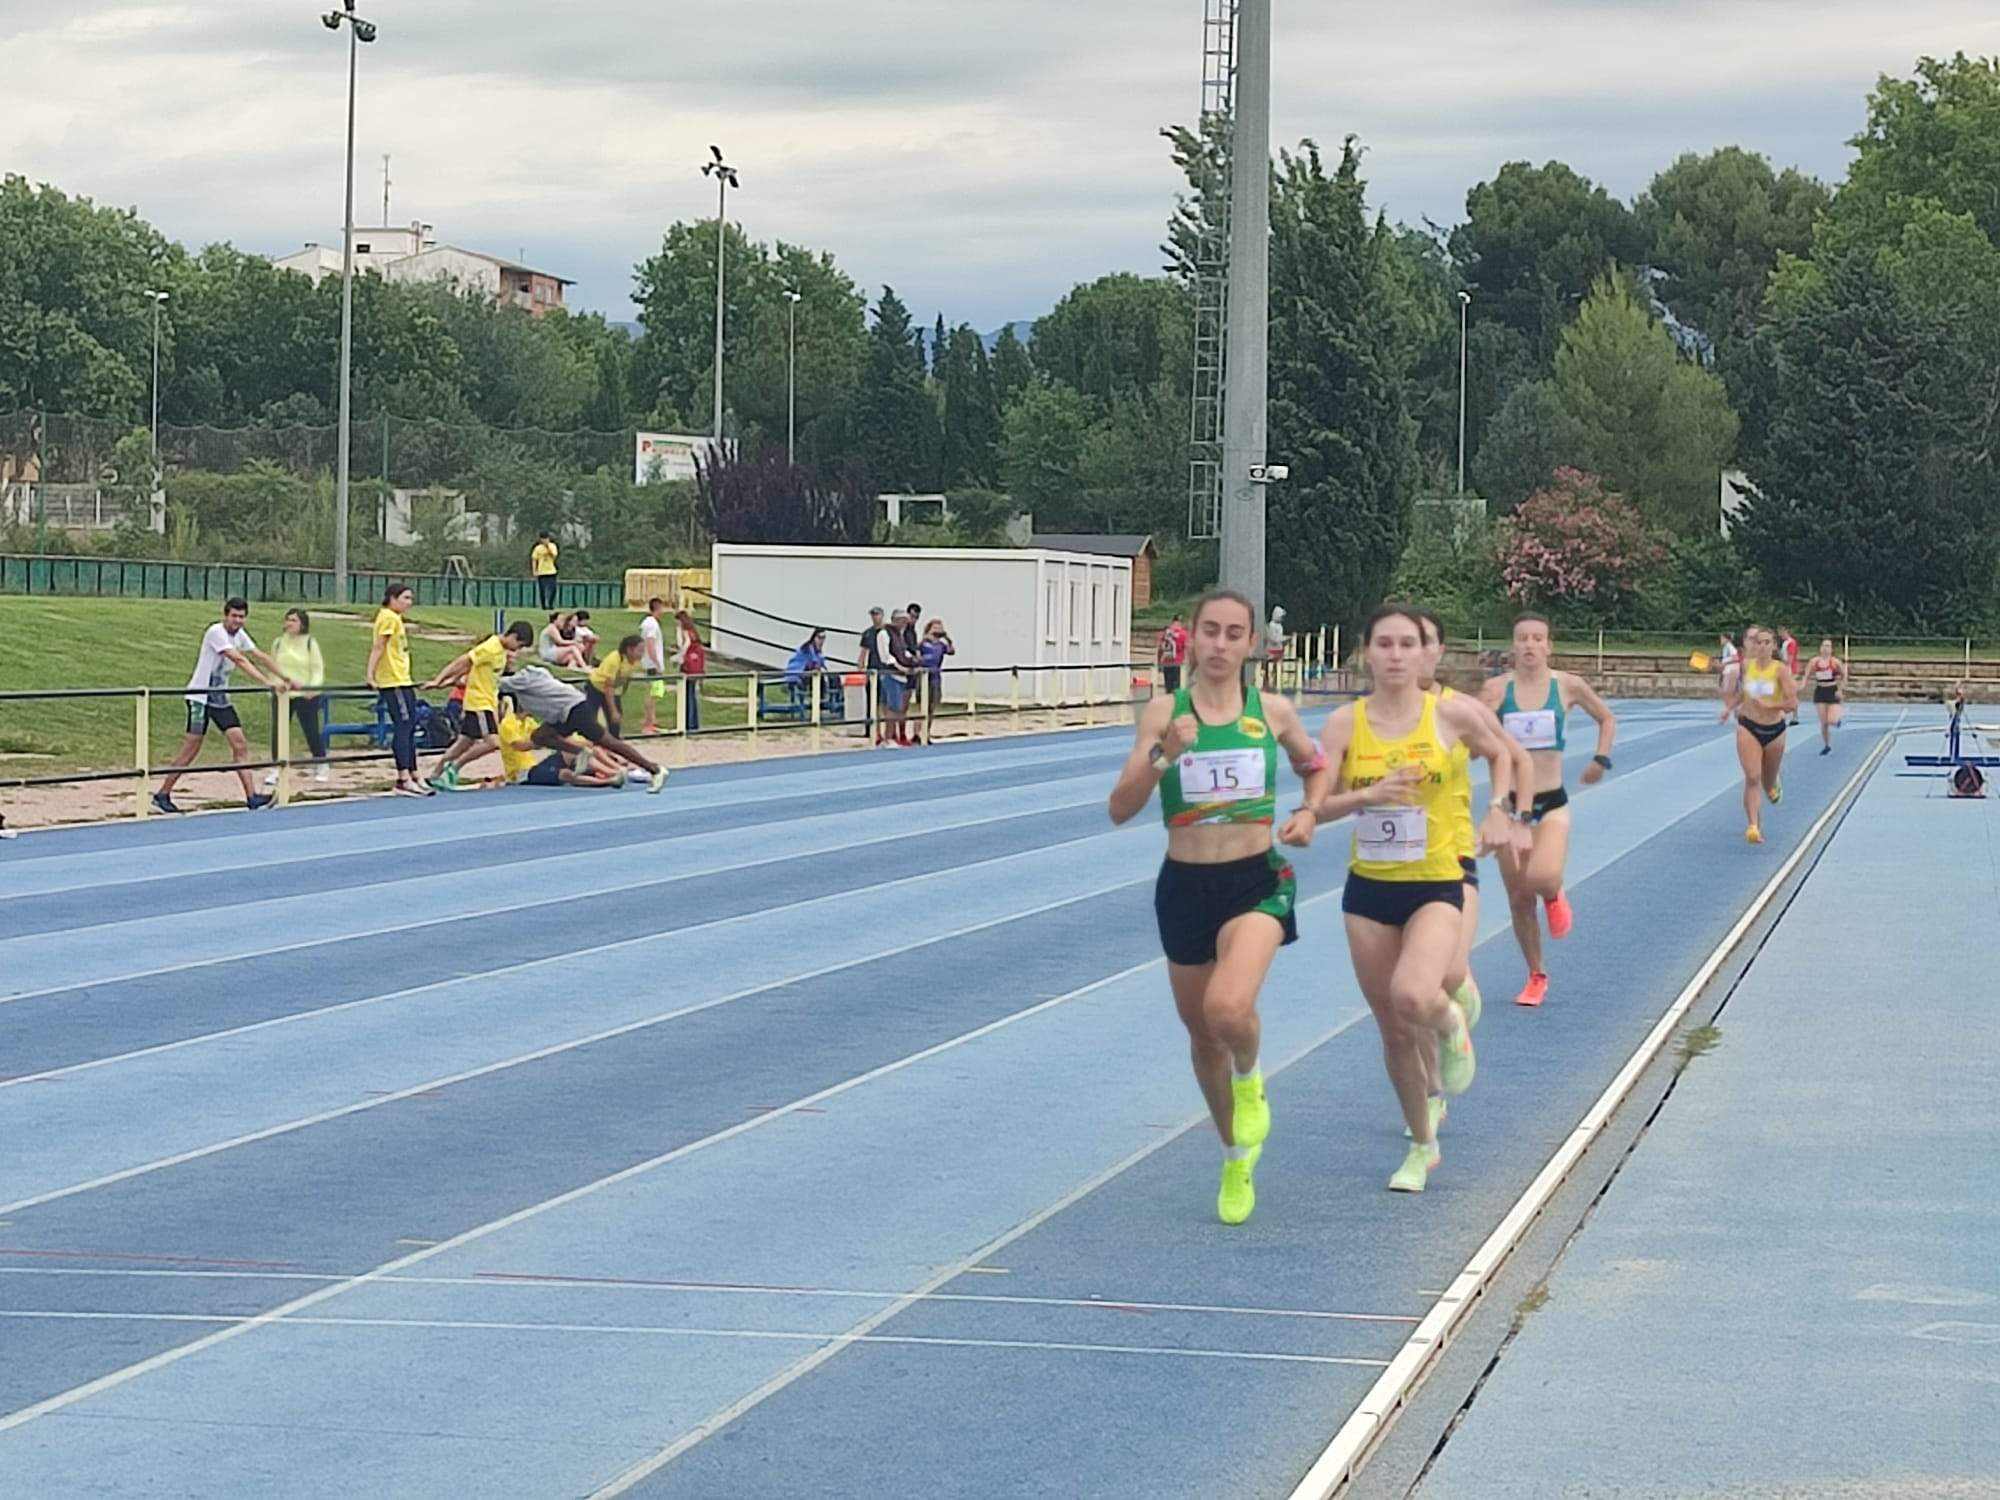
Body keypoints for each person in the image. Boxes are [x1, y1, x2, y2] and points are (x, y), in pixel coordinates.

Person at [1107, 587, 1329, 1226]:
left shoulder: (1274, 711)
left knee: (1228, 1008)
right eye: (1212, 631)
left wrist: (1311, 810)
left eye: (1236, 634)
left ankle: (1252, 1076)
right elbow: (1120, 809)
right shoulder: (1162, 714)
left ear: (1252, 645)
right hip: (1184, 884)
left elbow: (1316, 767)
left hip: (1256, 878)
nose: (1222, 645)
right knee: (1202, 1034)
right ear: (1191, 638)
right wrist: (1163, 756)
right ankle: (1235, 1155)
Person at [1314, 603, 1519, 1193]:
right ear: (1367, 653)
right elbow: (1316, 806)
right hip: (1369, 889)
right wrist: (1368, 795)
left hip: (1436, 881)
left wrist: (1501, 811)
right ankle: (1421, 1144)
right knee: (1394, 1031)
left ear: (1425, 652)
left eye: (1407, 643)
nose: (1397, 655)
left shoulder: (1451, 715)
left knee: (1413, 995)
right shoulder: (1343, 726)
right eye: (1385, 644)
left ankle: (1451, 1018)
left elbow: (1504, 753)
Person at [1407, 608, 1535, 1143]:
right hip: (1388, 869)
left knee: (1444, 974)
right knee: (1406, 996)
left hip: (1452, 858)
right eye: (1398, 642)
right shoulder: (1368, 715)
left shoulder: (1459, 710)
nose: (1408, 652)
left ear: (1438, 651)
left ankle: (1461, 997)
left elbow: (1514, 759)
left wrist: (1505, 813)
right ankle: (1432, 1094)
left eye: (1422, 642)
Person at [1479, 613, 1618, 1009]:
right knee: (1520, 898)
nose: (1529, 646)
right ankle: (1536, 974)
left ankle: (1555, 894)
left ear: (1549, 646)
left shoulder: (1568, 685)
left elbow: (1606, 718)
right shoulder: (1494, 690)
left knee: (1541, 877)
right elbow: (1471, 736)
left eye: (1538, 638)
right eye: (1522, 638)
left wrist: (1600, 760)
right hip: (1507, 806)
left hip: (1551, 801)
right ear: (1513, 645)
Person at [153, 596, 291, 815]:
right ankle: (162, 794)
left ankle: (252, 797)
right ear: (225, 615)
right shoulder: (216, 632)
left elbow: (260, 655)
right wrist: (267, 683)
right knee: (190, 749)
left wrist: (286, 678)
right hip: (200, 698)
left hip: (220, 699)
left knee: (240, 744)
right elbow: (239, 660)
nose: (237, 621)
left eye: (242, 617)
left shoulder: (240, 635)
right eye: (234, 616)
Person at [498, 636, 669, 793]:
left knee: (609, 742)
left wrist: (483, 672)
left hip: (575, 708)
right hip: (566, 711)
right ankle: (580, 752)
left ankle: (654, 769)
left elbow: (498, 684)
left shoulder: (521, 679)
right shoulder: (529, 677)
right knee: (541, 736)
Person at [1720, 625, 1798, 845]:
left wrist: (1771, 705)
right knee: (1752, 776)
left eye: (1766, 643)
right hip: (1748, 726)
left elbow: (1792, 703)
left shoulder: (1780, 670)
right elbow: (1744, 693)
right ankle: (1753, 826)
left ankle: (1772, 784)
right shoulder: (1746, 667)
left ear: (1773, 646)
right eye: (1758, 642)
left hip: (1774, 730)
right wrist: (1729, 709)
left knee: (1767, 779)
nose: (1762, 647)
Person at [420, 623, 514, 791]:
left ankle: (435, 775)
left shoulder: (499, 653)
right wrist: (439, 679)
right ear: (512, 637)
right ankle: (455, 767)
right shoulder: (490, 649)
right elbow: (463, 662)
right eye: (518, 646)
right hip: (479, 703)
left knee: (464, 743)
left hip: (485, 702)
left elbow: (466, 670)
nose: (516, 653)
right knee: (493, 743)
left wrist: (444, 682)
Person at [364, 584, 431, 798]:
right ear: (392, 598)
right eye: (405, 598)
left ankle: (413, 772)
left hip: (403, 679)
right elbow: (379, 646)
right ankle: (403, 777)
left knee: (410, 725)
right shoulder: (388, 618)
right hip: (393, 681)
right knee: (403, 726)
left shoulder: (396, 619)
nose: (409, 602)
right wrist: (370, 674)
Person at [264, 608, 330, 787]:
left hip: (305, 694)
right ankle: (277, 767)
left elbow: (317, 668)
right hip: (283, 693)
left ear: (302, 623)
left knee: (311, 729)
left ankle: (320, 763)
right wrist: (275, 685)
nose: (289, 624)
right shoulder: (278, 643)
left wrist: (313, 688)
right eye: (288, 620)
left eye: (294, 620)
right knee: (279, 731)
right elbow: (273, 665)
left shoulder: (309, 642)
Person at [587, 635, 645, 736]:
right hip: (596, 688)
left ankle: (614, 742)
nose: (642, 654)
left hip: (613, 689)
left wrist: (621, 694)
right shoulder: (614, 660)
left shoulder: (636, 661)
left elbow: (626, 678)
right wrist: (613, 710)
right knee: (591, 718)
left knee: (616, 721)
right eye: (639, 650)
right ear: (629, 649)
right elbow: (608, 686)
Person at [1807, 637, 1845, 754]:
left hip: (1832, 690)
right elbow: (1806, 675)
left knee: (1831, 720)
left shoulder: (1835, 662)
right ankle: (1827, 745)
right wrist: (1801, 684)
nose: (1825, 649)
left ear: (1831, 649)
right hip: (1820, 691)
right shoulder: (1814, 662)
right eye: (1823, 646)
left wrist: (1840, 690)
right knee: (1824, 722)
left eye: (1828, 646)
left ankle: (1836, 719)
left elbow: (1844, 676)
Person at [919, 618, 955, 743]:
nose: (938, 630)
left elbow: (951, 651)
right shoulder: (923, 643)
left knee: (932, 707)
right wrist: (927, 637)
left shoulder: (941, 645)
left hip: (936, 676)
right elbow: (917, 653)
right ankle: (917, 733)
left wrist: (948, 638)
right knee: (922, 706)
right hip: (924, 676)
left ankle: (927, 732)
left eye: (940, 628)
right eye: (935, 628)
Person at [640, 597, 670, 734]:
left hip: (651, 663)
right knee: (652, 693)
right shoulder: (651, 624)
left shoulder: (649, 623)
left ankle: (652, 720)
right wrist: (656, 662)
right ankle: (648, 723)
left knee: (656, 692)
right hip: (652, 664)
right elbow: (650, 644)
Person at [673, 609, 707, 732]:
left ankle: (688, 722)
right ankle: (694, 723)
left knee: (687, 695)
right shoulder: (694, 632)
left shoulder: (683, 632)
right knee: (692, 694)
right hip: (696, 667)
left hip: (687, 667)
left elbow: (684, 646)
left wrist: (678, 658)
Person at [858, 606, 887, 739]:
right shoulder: (868, 633)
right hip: (872, 670)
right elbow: (863, 652)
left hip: (884, 669)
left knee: (884, 702)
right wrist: (861, 668)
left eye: (877, 614)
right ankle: (871, 729)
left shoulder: (887, 632)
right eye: (873, 615)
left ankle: (884, 729)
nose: (875, 617)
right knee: (871, 701)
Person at [1157, 612, 1189, 694]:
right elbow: (1188, 649)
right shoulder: (1184, 634)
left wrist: (1159, 663)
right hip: (1177, 664)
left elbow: (1160, 648)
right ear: (1183, 623)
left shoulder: (1166, 632)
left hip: (1166, 663)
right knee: (1177, 689)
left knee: (1168, 688)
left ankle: (1168, 704)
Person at [530, 531, 560, 611]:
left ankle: (550, 604)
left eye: (546, 538)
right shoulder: (537, 548)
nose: (545, 540)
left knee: (553, 589)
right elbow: (534, 560)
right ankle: (543, 605)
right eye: (543, 539)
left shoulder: (552, 546)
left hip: (551, 571)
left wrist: (547, 547)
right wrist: (534, 570)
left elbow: (554, 555)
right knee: (542, 589)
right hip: (541, 571)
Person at [1779, 627, 1801, 724]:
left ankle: (1795, 716)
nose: (1780, 634)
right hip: (1785, 669)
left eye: (1781, 632)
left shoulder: (1791, 643)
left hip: (1790, 670)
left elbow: (1790, 658)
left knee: (1791, 693)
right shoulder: (1784, 643)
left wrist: (1785, 666)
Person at [1717, 631, 1742, 700]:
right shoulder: (1726, 647)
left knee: (1728, 690)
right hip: (1728, 670)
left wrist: (1725, 663)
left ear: (1726, 639)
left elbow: (1736, 658)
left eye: (1722, 638)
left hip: (1731, 670)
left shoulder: (1729, 646)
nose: (1720, 640)